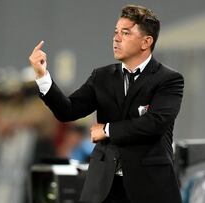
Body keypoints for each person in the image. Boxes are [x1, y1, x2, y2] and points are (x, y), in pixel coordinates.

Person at [29, 4, 184, 203]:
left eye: (125, 33)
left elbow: (155, 123)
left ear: (146, 42)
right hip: (104, 187)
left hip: (149, 187)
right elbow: (67, 111)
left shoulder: (168, 79)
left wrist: (108, 130)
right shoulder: (101, 76)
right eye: (116, 32)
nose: (116, 38)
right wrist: (43, 77)